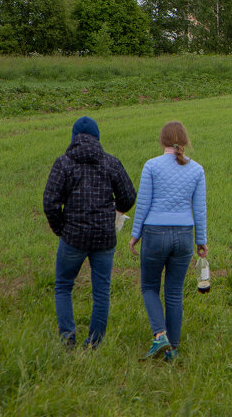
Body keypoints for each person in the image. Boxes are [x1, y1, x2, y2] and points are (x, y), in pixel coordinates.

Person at [43, 116, 137, 349]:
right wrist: (116, 209)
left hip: (73, 237)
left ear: (74, 138)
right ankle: (94, 343)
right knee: (101, 290)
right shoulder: (110, 163)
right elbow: (128, 196)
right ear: (97, 138)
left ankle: (67, 339)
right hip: (105, 237)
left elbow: (50, 201)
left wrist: (60, 229)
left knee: (64, 285)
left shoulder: (63, 163)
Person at [130, 121, 208, 362]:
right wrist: (201, 241)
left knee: (149, 287)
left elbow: (143, 203)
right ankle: (172, 350)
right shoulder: (197, 170)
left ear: (162, 141)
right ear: (184, 141)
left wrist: (135, 235)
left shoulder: (151, 166)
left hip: (154, 233)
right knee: (174, 292)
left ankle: (159, 334)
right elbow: (200, 209)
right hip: (184, 235)